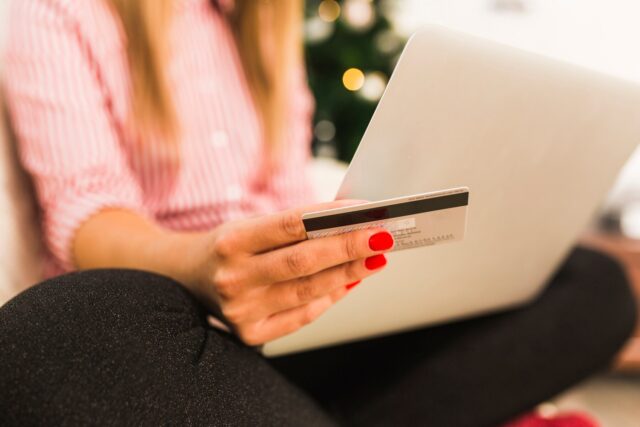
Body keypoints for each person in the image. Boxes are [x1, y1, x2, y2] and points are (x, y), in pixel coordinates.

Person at [0, 0, 636, 425]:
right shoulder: (57, 10)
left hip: (288, 331)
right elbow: (87, 207)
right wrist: (202, 264)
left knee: (596, 286)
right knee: (69, 325)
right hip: (174, 319)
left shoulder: (263, 23)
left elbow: (287, 192)